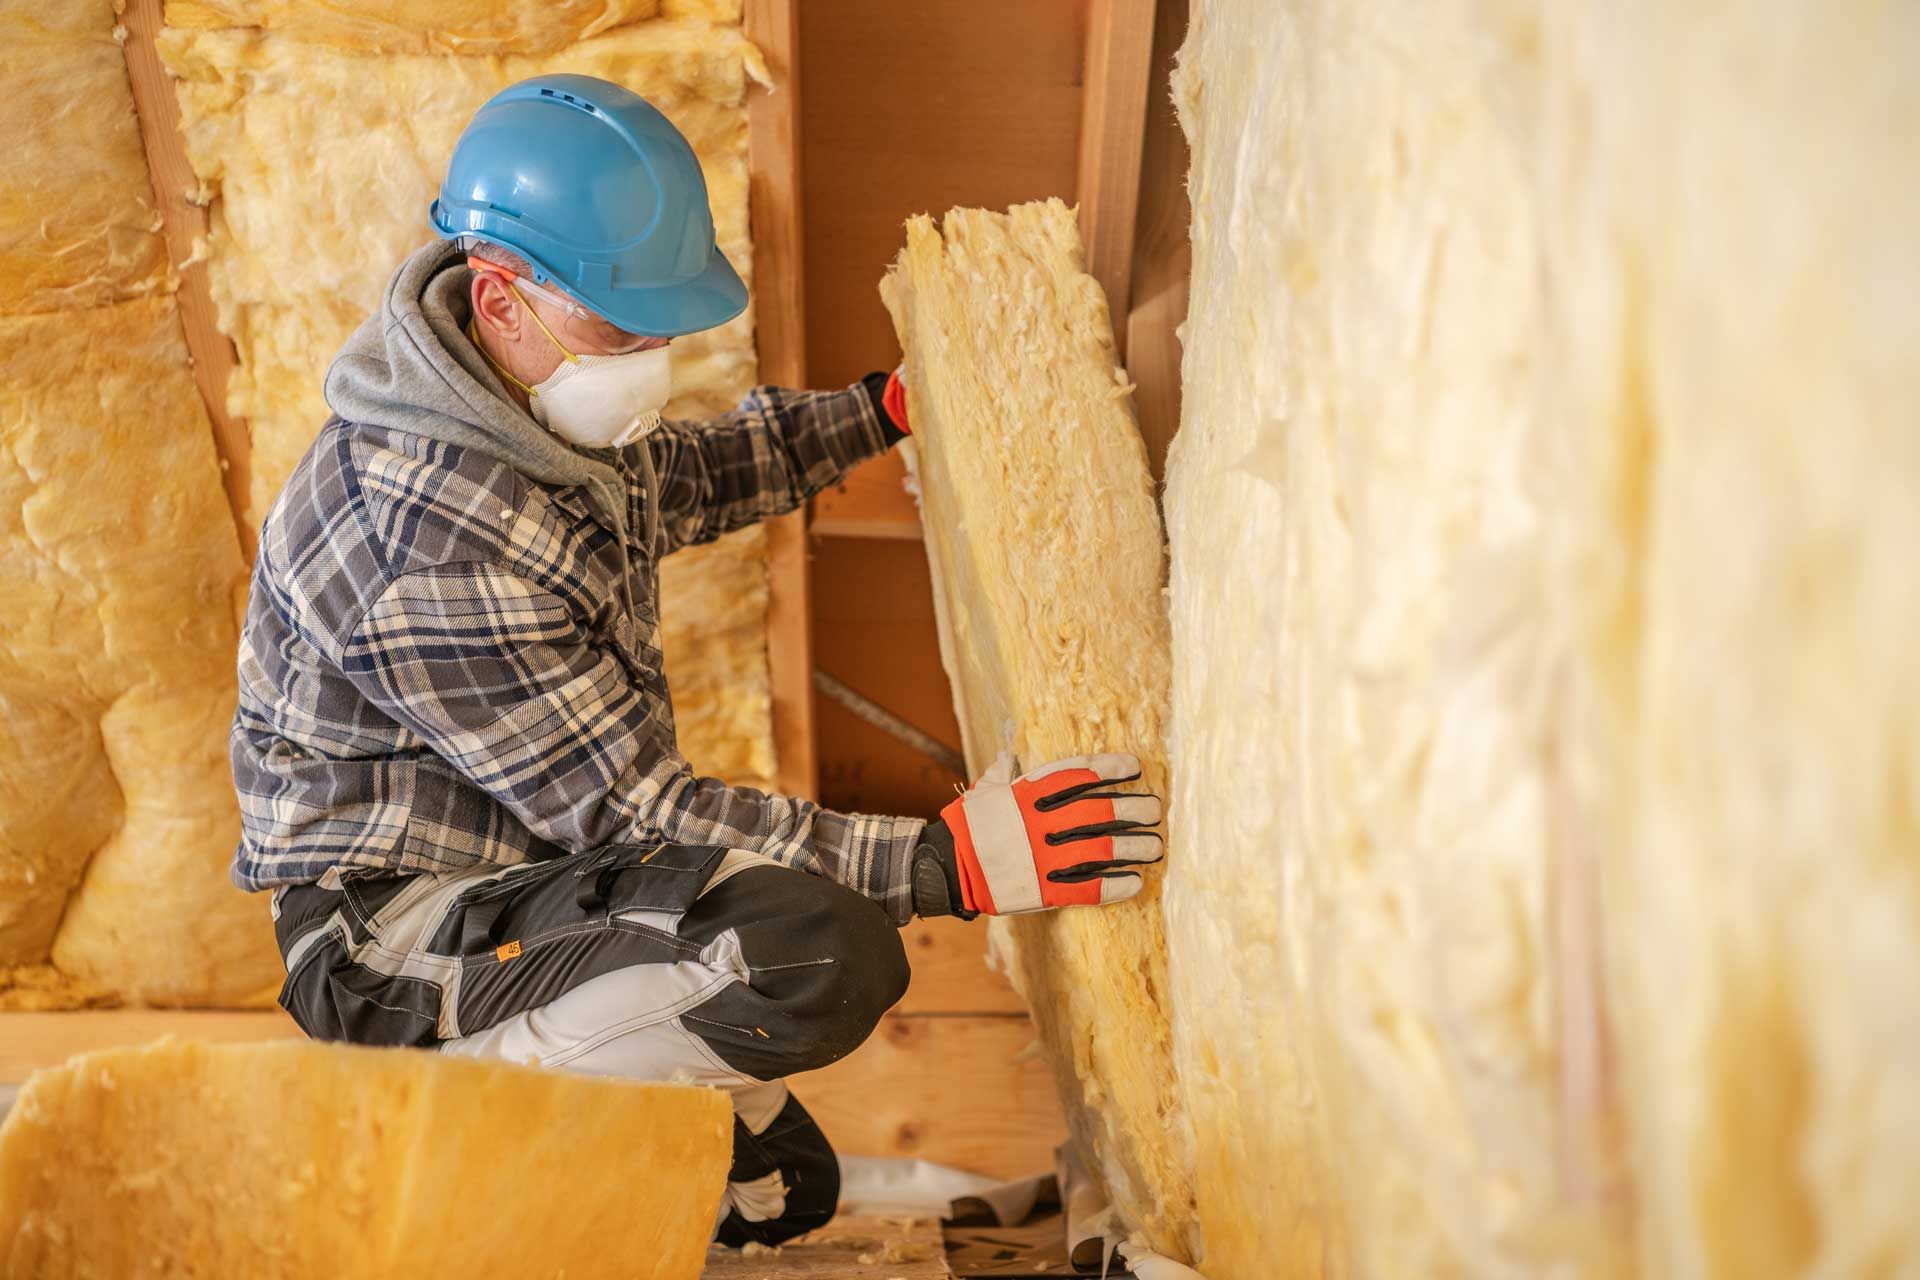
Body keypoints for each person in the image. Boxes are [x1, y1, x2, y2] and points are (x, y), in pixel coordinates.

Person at [229, 73, 1164, 1247]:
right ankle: (469, 1096)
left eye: (662, 327)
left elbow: (690, 477)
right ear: (501, 297)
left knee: (795, 1180)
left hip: (518, 878)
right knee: (819, 955)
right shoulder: (420, 544)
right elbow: (636, 813)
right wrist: (948, 860)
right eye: (622, 329)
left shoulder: (513, 406)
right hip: (396, 945)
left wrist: (882, 408)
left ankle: (633, 1084)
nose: (653, 359)